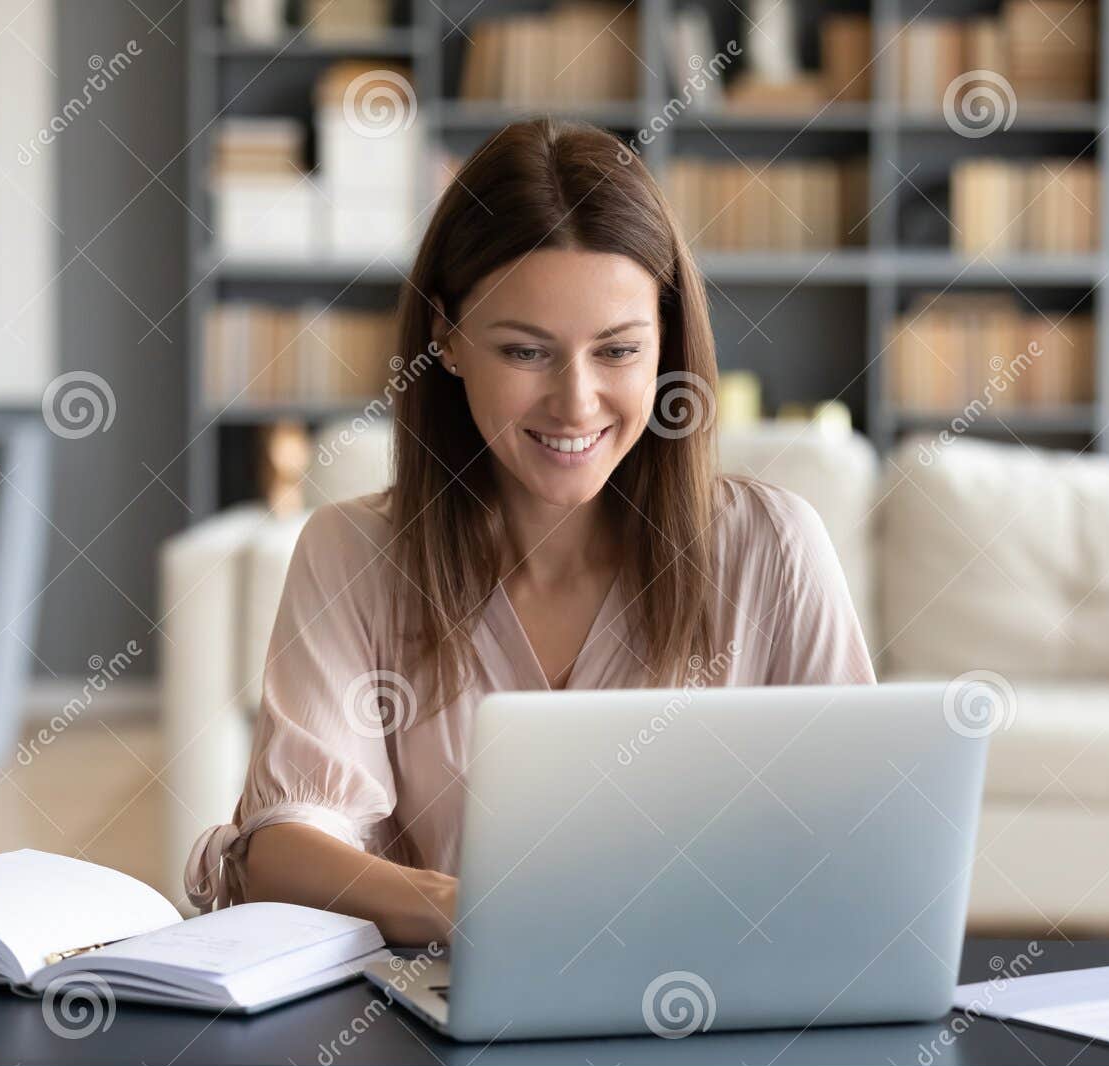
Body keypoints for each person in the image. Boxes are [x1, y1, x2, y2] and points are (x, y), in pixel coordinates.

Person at [185, 117, 875, 944]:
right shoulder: (353, 553)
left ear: (667, 346)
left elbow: (865, 838)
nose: (576, 403)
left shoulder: (774, 547)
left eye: (617, 352)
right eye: (526, 352)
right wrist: (477, 911)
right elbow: (289, 845)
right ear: (446, 341)